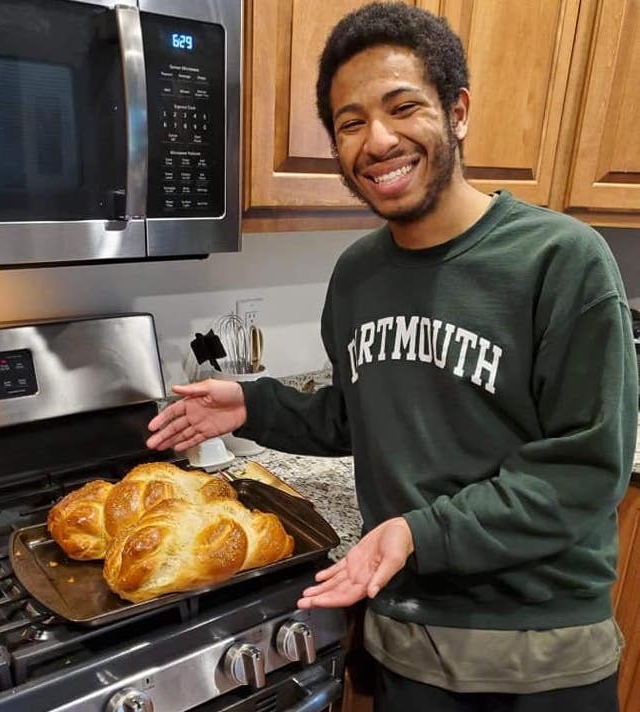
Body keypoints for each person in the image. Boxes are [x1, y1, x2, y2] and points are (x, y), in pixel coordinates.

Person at [146, 3, 638, 710]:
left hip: (535, 652)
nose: (376, 140)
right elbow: (361, 415)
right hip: (403, 633)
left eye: (402, 107)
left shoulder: (559, 259)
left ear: (457, 111)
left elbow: (585, 470)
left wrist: (419, 532)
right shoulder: (359, 275)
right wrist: (251, 404)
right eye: (350, 123)